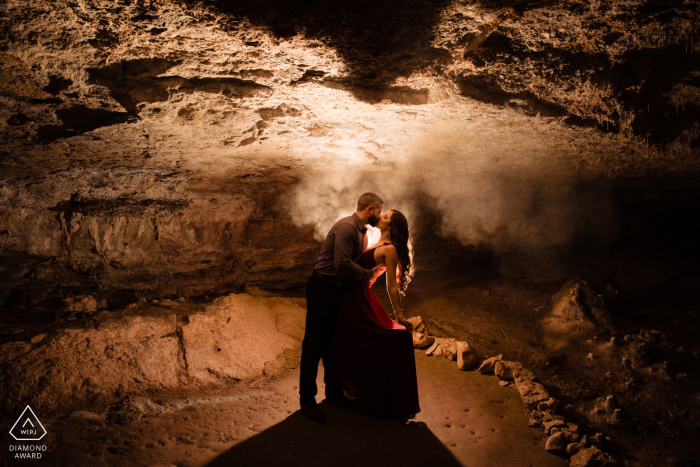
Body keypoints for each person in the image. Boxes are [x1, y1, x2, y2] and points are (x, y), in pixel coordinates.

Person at [326, 209, 420, 423]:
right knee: (346, 341)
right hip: (351, 295)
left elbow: (392, 286)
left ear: (392, 226)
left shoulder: (390, 249)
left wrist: (400, 316)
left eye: (385, 217)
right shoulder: (375, 241)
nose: (380, 217)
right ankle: (346, 394)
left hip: (358, 297)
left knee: (378, 339)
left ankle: (374, 398)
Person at [299, 192, 384, 422]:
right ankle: (307, 400)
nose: (380, 215)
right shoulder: (347, 227)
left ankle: (332, 391)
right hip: (321, 287)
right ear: (369, 209)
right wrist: (368, 274)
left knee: (331, 343)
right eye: (379, 211)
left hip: (333, 288)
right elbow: (342, 263)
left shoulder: (362, 232)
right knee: (314, 344)